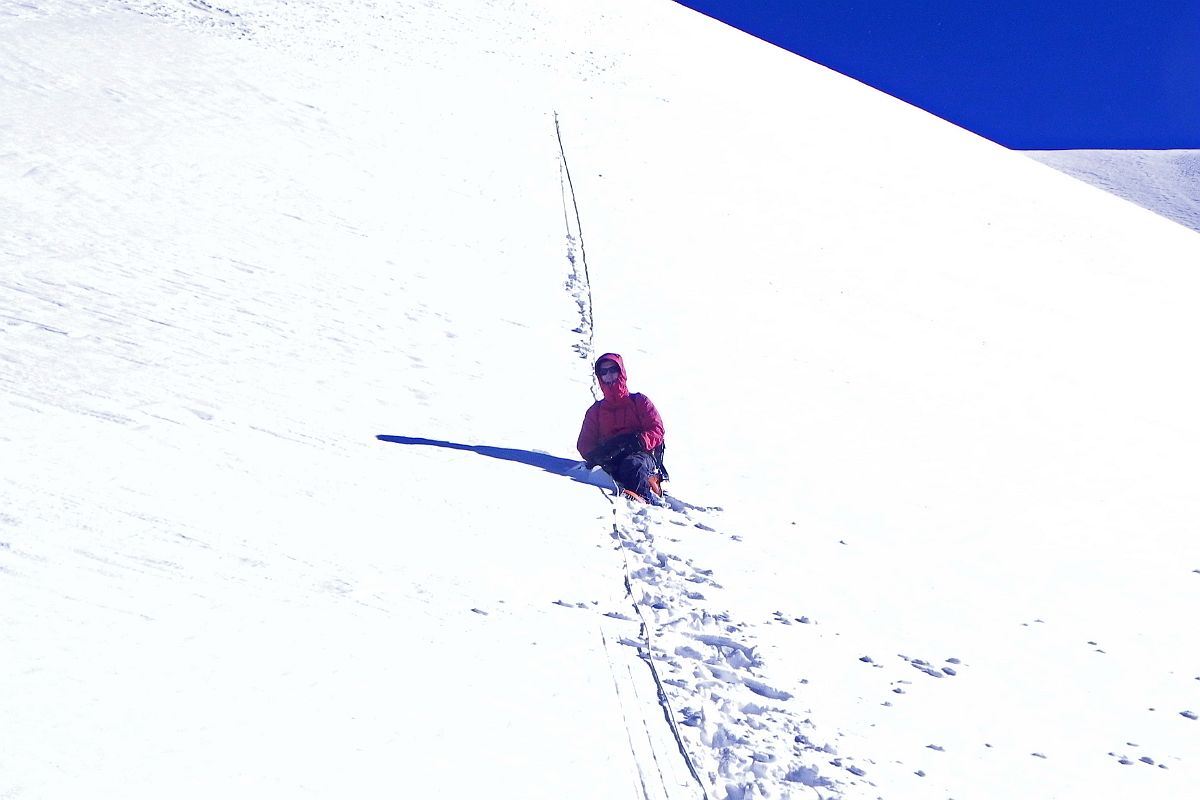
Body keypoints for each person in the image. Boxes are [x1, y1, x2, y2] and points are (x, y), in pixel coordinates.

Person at [577, 353, 666, 504]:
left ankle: (644, 496)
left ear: (621, 372)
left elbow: (657, 429)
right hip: (612, 457)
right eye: (604, 372)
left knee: (634, 465)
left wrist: (638, 441)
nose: (609, 375)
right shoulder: (595, 411)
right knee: (608, 470)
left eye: (612, 370)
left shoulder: (639, 401)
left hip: (641, 454)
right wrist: (596, 454)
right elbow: (584, 443)